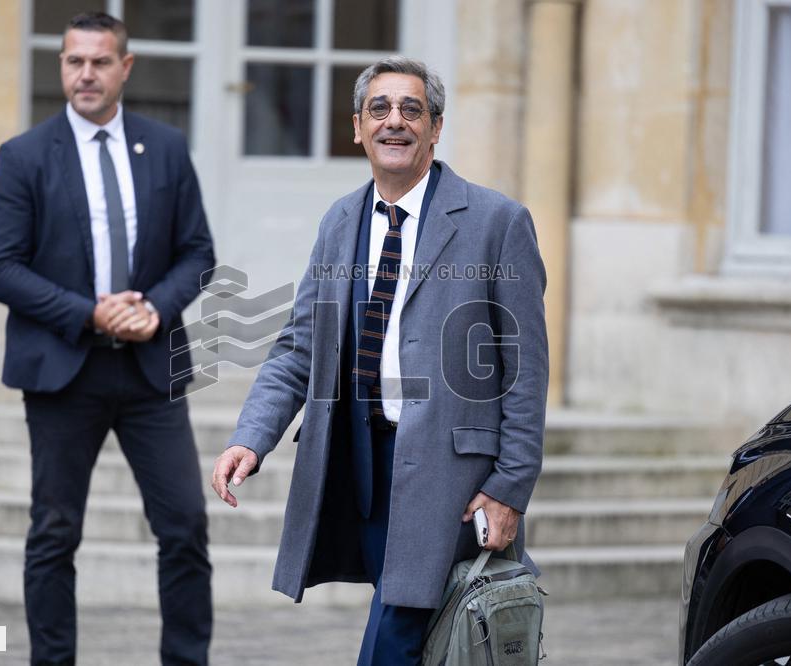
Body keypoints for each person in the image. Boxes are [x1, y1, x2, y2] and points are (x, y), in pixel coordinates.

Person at [211, 56, 548, 665]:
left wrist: (509, 487)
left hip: (452, 478)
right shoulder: (340, 221)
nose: (396, 122)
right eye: (380, 109)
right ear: (357, 129)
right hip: (361, 461)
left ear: (436, 128)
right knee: (418, 637)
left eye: (412, 110)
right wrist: (251, 437)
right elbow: (300, 344)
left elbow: (524, 370)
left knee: (393, 639)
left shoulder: (498, 223)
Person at [0, 12, 214, 666]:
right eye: (73, 61)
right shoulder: (23, 156)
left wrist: (156, 310)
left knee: (186, 528)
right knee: (54, 535)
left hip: (149, 372)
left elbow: (198, 253)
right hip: (63, 374)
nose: (85, 74)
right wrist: (91, 314)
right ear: (61, 65)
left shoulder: (165, 147)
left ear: (125, 67)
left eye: (99, 61)